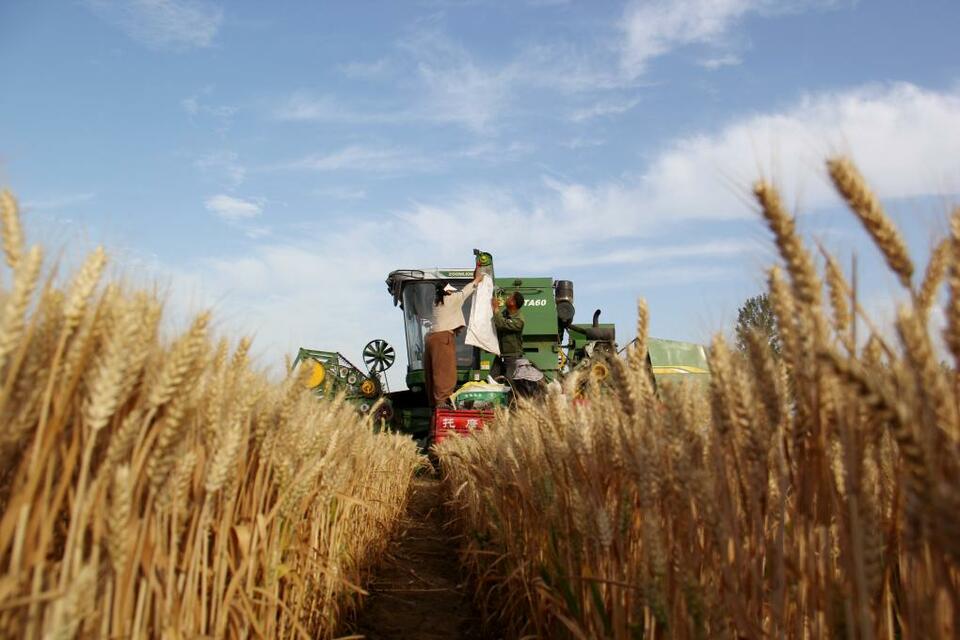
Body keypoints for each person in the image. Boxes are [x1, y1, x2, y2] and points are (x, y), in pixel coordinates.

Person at [424, 268, 482, 407]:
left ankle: (436, 402)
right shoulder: (451, 299)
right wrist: (477, 280)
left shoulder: (436, 302)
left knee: (433, 372)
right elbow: (465, 292)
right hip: (443, 338)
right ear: (447, 290)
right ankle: (442, 401)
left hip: (431, 338)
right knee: (445, 371)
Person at [490, 291, 524, 381]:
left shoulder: (519, 320)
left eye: (509, 297)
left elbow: (501, 324)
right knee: (492, 380)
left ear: (513, 303)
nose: (507, 298)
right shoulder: (504, 314)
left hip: (513, 357)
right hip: (500, 356)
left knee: (511, 382)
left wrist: (496, 309)